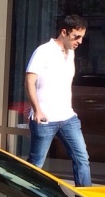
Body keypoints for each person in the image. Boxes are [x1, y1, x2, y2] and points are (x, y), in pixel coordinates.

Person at [25, 14, 91, 187]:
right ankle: (26, 196)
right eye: (76, 36)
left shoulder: (70, 54)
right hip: (45, 119)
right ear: (64, 32)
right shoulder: (43, 51)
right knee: (36, 163)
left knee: (82, 158)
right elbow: (29, 81)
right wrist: (37, 110)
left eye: (82, 37)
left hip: (68, 118)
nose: (80, 41)